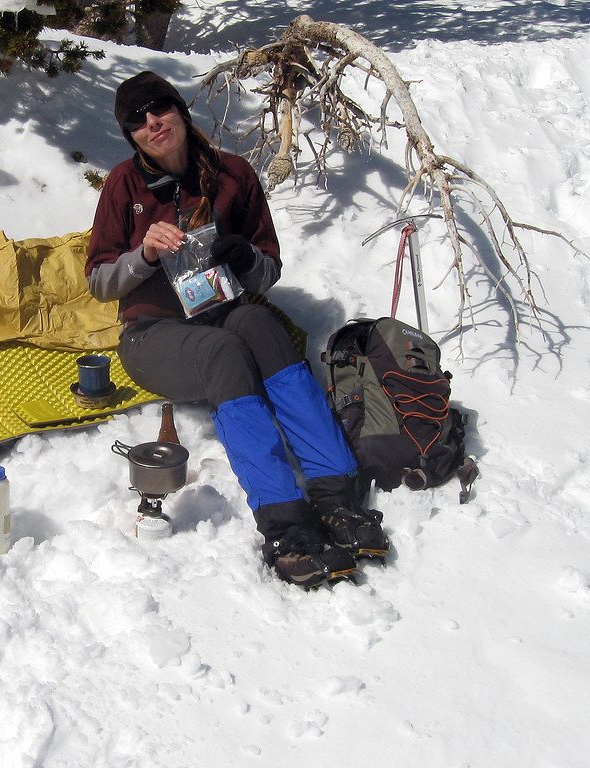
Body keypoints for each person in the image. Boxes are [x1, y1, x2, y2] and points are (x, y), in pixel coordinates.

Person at [86, 71, 389, 588]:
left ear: (179, 109)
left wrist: (245, 256)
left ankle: (337, 496)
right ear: (130, 135)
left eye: (159, 108)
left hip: (222, 308)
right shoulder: (125, 185)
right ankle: (285, 525)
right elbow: (99, 280)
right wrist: (146, 255)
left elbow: (268, 271)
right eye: (136, 121)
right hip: (152, 335)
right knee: (224, 351)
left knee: (260, 322)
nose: (152, 123)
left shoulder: (232, 175)